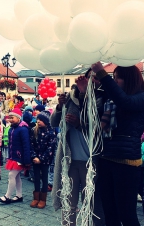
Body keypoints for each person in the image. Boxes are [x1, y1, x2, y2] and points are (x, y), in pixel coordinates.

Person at [90, 62, 144, 226]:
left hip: (127, 162)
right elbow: (105, 103)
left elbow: (125, 101)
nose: (115, 81)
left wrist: (103, 75)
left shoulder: (143, 97)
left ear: (129, 79)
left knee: (127, 215)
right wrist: (90, 88)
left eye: (118, 78)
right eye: (114, 78)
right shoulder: (114, 98)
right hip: (107, 158)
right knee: (110, 213)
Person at [51, 70, 106, 225]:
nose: (91, 80)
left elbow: (97, 124)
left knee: (91, 204)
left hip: (91, 161)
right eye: (89, 77)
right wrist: (60, 107)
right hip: (70, 159)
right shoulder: (70, 97)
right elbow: (54, 123)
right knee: (68, 202)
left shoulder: (102, 98)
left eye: (95, 78)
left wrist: (79, 124)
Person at [0, 108, 31, 204]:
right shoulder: (12, 128)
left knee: (11, 175)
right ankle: (19, 195)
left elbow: (26, 145)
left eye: (13, 118)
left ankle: (7, 196)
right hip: (13, 156)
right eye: (9, 118)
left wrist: (27, 160)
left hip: (20, 157)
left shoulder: (23, 129)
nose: (10, 119)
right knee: (16, 176)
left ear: (19, 118)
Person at [30, 110, 56, 209]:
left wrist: (41, 159)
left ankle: (43, 199)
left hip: (45, 160)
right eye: (38, 119)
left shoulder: (51, 132)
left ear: (46, 121)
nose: (38, 121)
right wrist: (34, 156)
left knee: (44, 179)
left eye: (41, 120)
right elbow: (31, 145)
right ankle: (36, 197)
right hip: (35, 159)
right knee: (36, 178)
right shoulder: (34, 130)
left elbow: (50, 148)